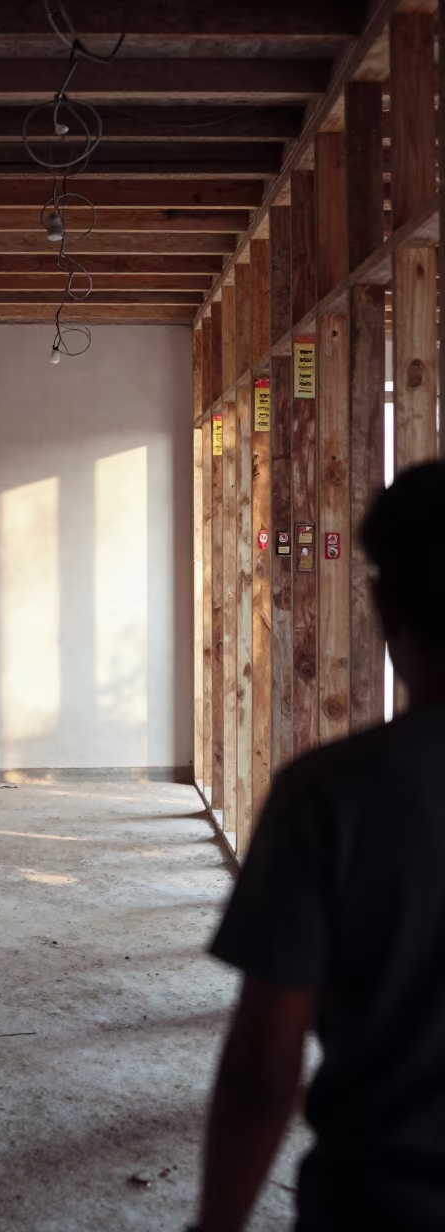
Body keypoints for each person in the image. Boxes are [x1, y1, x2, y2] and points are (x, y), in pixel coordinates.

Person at [189, 460, 445, 1232]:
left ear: (382, 607)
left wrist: (216, 1226)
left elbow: (265, 1072)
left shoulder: (330, 796)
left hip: (378, 1205)